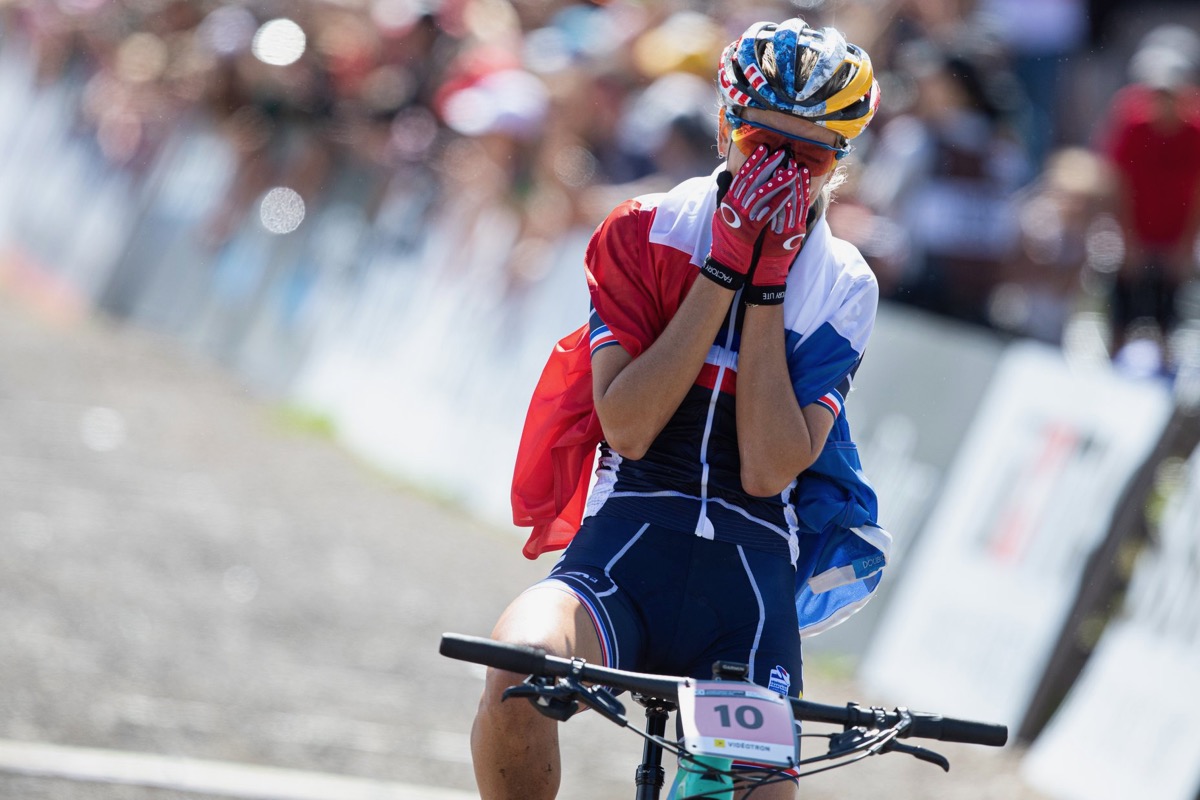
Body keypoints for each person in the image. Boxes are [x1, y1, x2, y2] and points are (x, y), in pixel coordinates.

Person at [472, 18, 890, 800]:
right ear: (728, 127)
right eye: (765, 146)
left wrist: (764, 287)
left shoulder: (844, 281)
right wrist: (721, 270)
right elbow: (627, 425)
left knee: (756, 792)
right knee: (514, 673)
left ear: (840, 164)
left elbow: (768, 470)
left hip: (749, 574)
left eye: (810, 157)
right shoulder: (645, 229)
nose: (783, 172)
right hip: (628, 542)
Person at [1098, 33, 1200, 365]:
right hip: (1135, 233)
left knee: (1170, 319)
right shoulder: (1130, 122)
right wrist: (1127, 240)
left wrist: (1186, 246)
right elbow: (1118, 184)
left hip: (1174, 236)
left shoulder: (1195, 129)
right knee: (1120, 315)